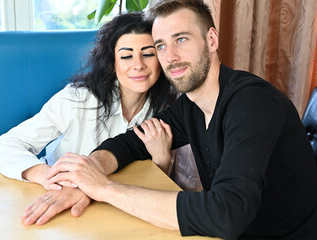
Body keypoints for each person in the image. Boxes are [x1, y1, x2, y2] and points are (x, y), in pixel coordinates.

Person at [34, 0, 317, 239]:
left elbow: (227, 215)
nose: (171, 57)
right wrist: (88, 175)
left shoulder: (251, 103)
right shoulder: (191, 105)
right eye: (160, 46)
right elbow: (131, 143)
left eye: (181, 39)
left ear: (212, 39)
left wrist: (104, 189)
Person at [0, 12, 176, 223]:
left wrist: (162, 161)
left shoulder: (167, 108)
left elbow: (151, 188)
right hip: (54, 199)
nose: (139, 64)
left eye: (148, 54)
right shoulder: (78, 99)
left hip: (115, 208)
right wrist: (51, 177)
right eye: (126, 56)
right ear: (112, 63)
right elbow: (4, 146)